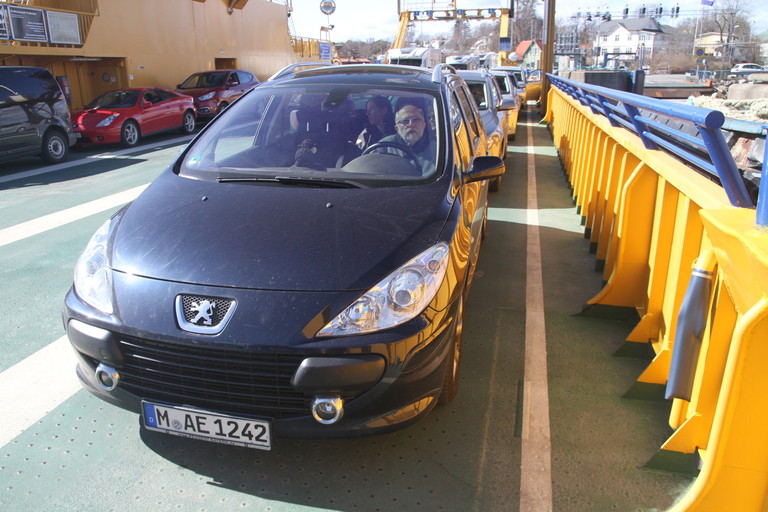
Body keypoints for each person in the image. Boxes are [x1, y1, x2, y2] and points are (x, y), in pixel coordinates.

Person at [376, 98, 436, 176]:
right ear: (396, 128)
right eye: (405, 121)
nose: (411, 124)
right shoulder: (383, 147)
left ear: (424, 125)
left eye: (416, 120)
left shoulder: (437, 150)